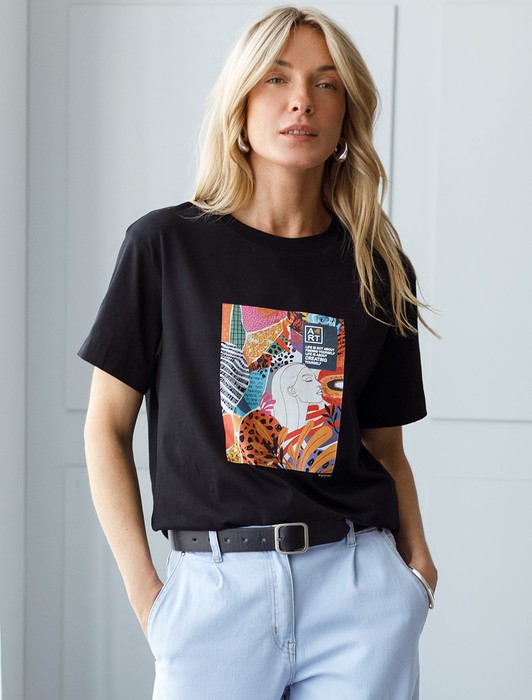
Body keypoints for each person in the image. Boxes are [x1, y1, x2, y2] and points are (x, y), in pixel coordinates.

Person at [79, 6, 438, 699]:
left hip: (358, 592)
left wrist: (416, 569)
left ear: (347, 116)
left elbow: (386, 449)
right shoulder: (165, 248)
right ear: (240, 105)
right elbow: (105, 428)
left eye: (326, 83)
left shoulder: (379, 268)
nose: (302, 99)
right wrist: (149, 597)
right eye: (277, 78)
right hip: (215, 594)